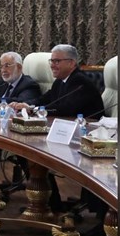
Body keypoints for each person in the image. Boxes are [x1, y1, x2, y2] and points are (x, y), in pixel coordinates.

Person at [10, 44, 105, 217]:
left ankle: (49, 203)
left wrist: (35, 110)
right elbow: (45, 100)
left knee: (34, 151)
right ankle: (50, 202)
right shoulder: (61, 81)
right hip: (66, 132)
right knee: (27, 150)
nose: (52, 65)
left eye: (57, 61)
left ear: (71, 63)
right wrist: (28, 105)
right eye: (51, 61)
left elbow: (66, 108)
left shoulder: (79, 82)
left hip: (85, 137)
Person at [0, 52, 41, 194]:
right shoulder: (1, 83)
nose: (3, 70)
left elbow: (22, 101)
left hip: (16, 130)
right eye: (1, 66)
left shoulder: (29, 85)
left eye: (7, 66)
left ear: (19, 67)